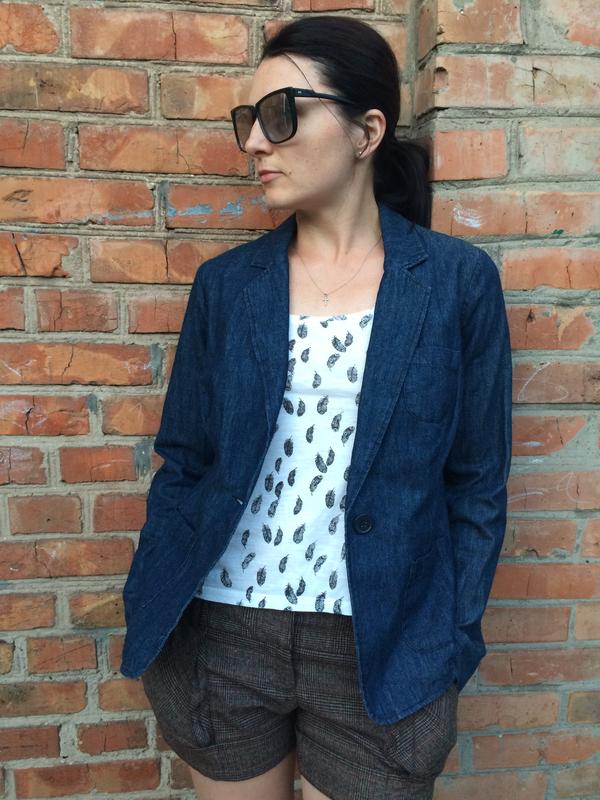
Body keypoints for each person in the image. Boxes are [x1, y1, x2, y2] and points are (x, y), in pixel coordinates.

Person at [120, 15, 513, 800]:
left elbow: (476, 483)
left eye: (281, 115)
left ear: (367, 131)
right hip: (224, 631)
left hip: (385, 644)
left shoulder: (455, 283)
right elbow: (187, 459)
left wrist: (452, 637)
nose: (254, 142)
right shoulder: (228, 287)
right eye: (248, 120)